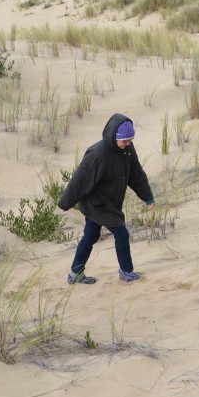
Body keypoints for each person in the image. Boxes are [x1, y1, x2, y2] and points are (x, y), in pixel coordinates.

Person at [58, 113, 154, 284]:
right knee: (122, 234)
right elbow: (79, 180)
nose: (128, 144)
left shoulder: (127, 151)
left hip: (110, 203)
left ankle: (75, 274)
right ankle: (126, 271)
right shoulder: (98, 154)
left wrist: (147, 197)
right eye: (124, 141)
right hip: (97, 204)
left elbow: (136, 175)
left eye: (130, 141)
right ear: (115, 137)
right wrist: (66, 202)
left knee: (89, 237)